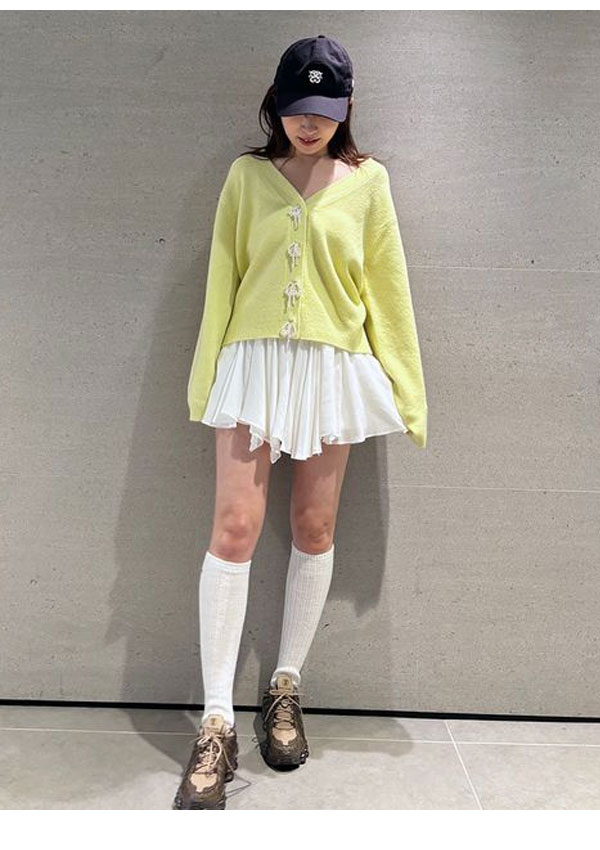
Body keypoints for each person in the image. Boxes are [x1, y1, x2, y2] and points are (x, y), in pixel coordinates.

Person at [173, 34, 428, 810]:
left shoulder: (369, 183)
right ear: (275, 104)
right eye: (295, 108)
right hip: (252, 362)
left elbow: (387, 288)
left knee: (315, 526)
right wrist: (207, 378)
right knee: (234, 529)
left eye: (322, 109)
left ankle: (285, 687)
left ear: (346, 107)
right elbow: (223, 278)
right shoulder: (246, 178)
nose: (307, 123)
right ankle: (217, 721)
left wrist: (408, 390)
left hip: (331, 368)